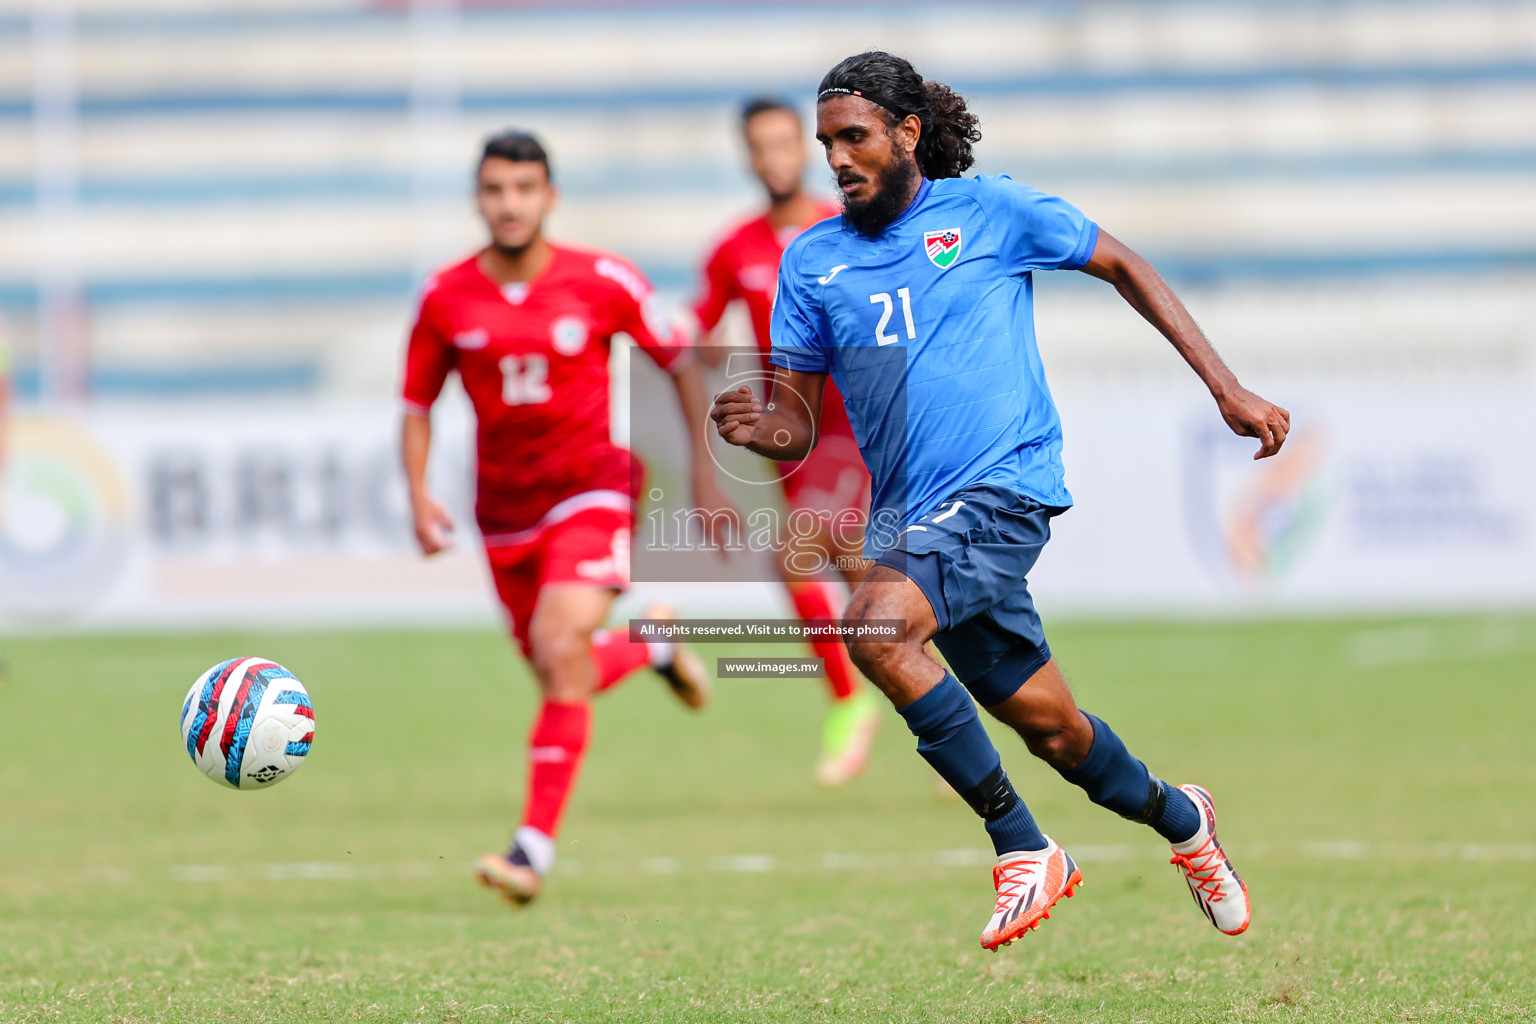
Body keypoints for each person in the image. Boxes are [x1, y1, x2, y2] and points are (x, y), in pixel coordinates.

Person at [712, 52, 1289, 950]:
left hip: (1005, 489)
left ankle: (1023, 846)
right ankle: (1187, 823)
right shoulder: (811, 260)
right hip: (916, 523)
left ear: (907, 133)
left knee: (873, 626)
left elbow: (1124, 264)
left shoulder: (990, 210)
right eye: (828, 142)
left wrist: (1227, 388)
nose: (837, 159)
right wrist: (760, 426)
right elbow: (797, 419)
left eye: (854, 136)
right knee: (1055, 731)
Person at [402, 130, 736, 907]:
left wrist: (706, 477)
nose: (509, 204)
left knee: (559, 646)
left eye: (524, 189)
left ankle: (531, 851)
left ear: (549, 197)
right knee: (564, 672)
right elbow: (416, 404)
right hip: (503, 514)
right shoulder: (445, 296)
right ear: (478, 199)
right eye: (494, 190)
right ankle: (651, 647)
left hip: (593, 491)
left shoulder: (604, 279)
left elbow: (680, 366)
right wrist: (418, 492)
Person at [691, 97, 879, 787]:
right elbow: (697, 340)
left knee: (799, 556)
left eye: (782, 144)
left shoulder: (845, 227)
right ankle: (933, 705)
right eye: (758, 147)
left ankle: (848, 704)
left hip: (854, 421)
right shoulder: (732, 249)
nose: (772, 158)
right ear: (747, 157)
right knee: (868, 591)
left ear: (803, 150)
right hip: (788, 427)